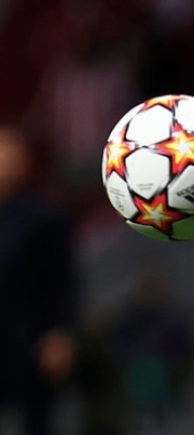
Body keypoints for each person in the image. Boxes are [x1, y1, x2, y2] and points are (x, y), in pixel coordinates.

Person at [0, 123, 77, 435]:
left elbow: (63, 281)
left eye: (10, 149)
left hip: (28, 343)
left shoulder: (44, 217)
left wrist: (60, 334)